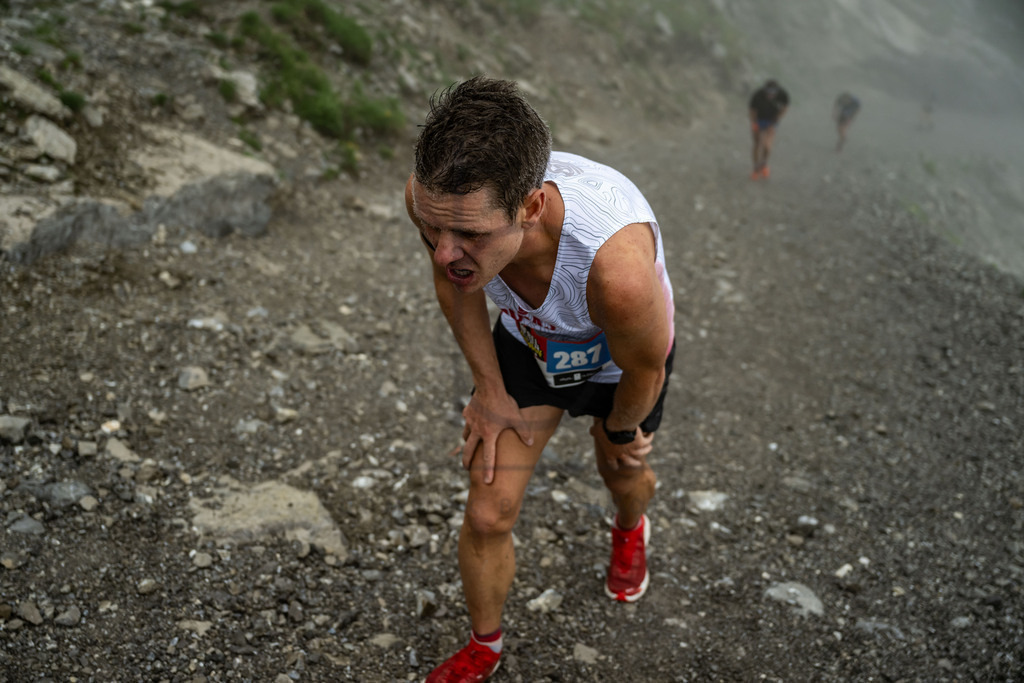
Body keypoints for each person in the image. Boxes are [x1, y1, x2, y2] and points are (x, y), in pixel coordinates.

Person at [405, 76, 676, 682]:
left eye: (471, 236)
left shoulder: (616, 271)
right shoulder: (437, 202)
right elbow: (456, 289)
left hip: (618, 356)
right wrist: (490, 390)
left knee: (620, 469)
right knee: (486, 513)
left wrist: (621, 427)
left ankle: (630, 527)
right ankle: (485, 645)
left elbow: (644, 365)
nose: (445, 252)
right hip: (531, 345)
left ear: (530, 209)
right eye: (433, 230)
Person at [748, 79, 790, 179]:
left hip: (772, 120)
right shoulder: (757, 95)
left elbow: (785, 107)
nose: (770, 95)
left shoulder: (782, 94)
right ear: (764, 90)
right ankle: (755, 168)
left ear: (777, 91)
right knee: (757, 143)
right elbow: (752, 110)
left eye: (773, 93)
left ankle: (764, 164)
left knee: (767, 146)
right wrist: (754, 123)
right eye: (768, 92)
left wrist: (776, 120)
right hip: (759, 119)